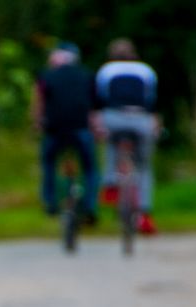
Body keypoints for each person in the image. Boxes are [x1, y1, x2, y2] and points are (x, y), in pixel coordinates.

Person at [93, 38, 160, 235]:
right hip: (140, 119)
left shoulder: (106, 70)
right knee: (144, 167)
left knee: (111, 145)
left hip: (114, 117)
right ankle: (145, 214)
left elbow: (100, 99)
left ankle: (111, 185)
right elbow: (151, 100)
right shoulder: (145, 70)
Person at [32, 42, 99, 224]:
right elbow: (94, 107)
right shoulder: (87, 75)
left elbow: (39, 103)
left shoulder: (46, 76)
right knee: (90, 168)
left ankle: (51, 203)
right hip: (80, 128)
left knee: (49, 163)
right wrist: (96, 128)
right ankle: (90, 206)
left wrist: (37, 123)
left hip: (55, 129)